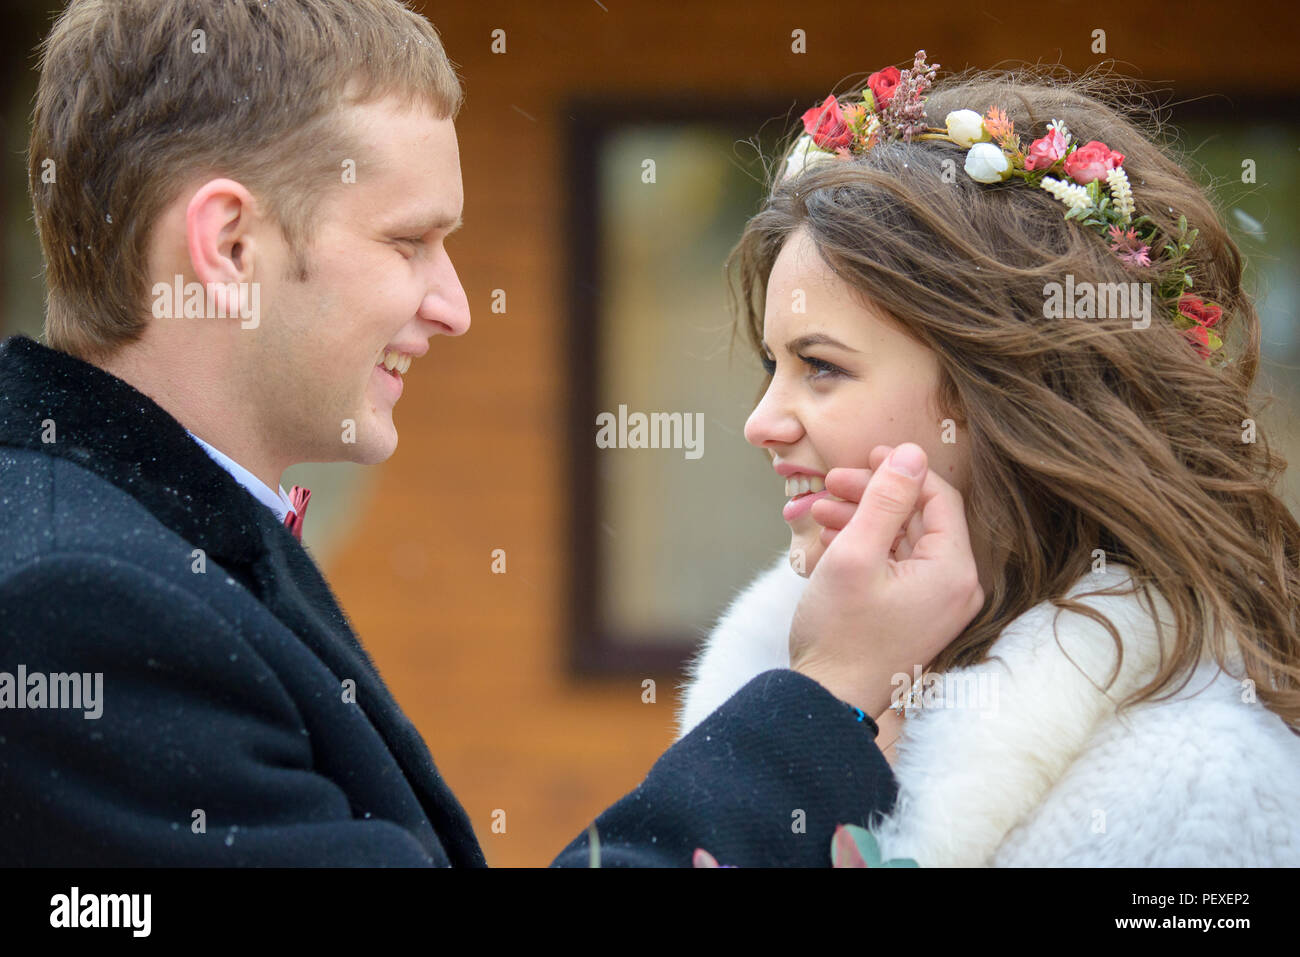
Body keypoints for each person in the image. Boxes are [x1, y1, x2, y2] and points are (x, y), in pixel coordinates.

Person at [0, 1, 983, 868]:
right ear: (229, 245)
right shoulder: (79, 603)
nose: (454, 305)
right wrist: (830, 692)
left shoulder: (153, 537)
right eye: (407, 241)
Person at [677, 54, 1300, 865]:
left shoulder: (1201, 787)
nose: (761, 422)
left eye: (821, 366)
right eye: (772, 366)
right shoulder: (768, 674)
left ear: (994, 391)